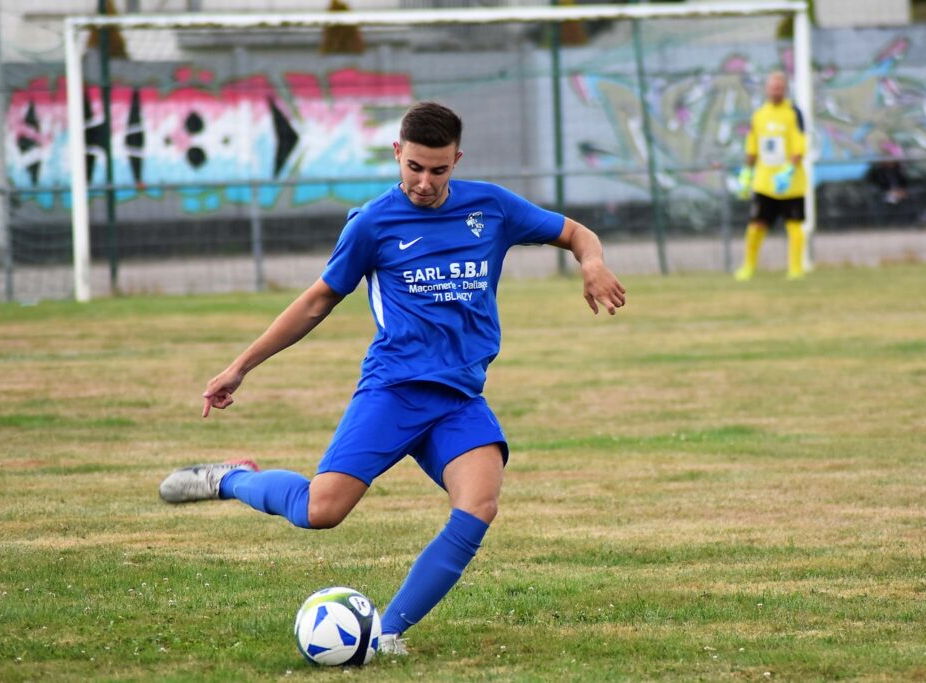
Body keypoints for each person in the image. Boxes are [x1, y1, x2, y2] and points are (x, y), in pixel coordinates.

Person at [157, 101, 626, 656]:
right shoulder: (374, 222)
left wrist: (591, 261)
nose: (425, 183)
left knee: (479, 504)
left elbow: (576, 232)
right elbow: (316, 301)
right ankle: (230, 478)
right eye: (415, 168)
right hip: (394, 390)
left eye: (439, 170)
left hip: (458, 398)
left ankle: (387, 633)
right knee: (320, 511)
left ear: (457, 160)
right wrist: (240, 366)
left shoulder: (492, 207)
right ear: (397, 154)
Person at [734, 71, 808, 281]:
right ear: (767, 89)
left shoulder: (794, 113)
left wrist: (789, 170)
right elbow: (752, 147)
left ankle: (795, 269)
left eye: (779, 87)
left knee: (794, 225)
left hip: (790, 183)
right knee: (756, 226)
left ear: (785, 89)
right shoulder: (759, 115)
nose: (776, 90)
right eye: (772, 87)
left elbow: (799, 146)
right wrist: (747, 173)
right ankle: (748, 266)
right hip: (765, 182)